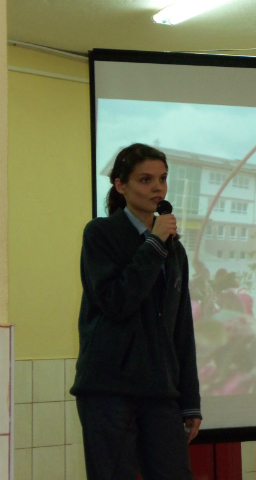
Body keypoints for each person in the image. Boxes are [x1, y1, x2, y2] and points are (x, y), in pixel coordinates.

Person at [70, 143, 201, 480]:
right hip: (109, 391)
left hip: (160, 392)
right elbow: (116, 301)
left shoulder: (175, 250)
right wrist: (153, 244)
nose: (157, 187)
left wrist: (190, 400)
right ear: (120, 185)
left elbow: (180, 326)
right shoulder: (100, 234)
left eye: (162, 179)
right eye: (145, 179)